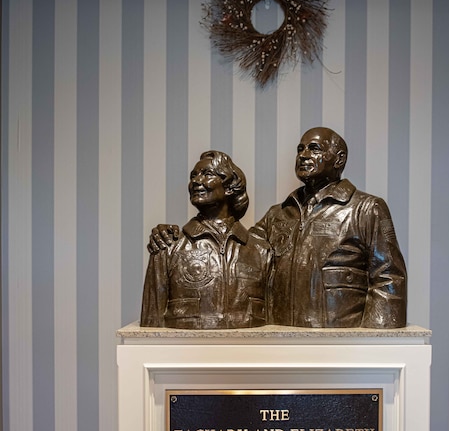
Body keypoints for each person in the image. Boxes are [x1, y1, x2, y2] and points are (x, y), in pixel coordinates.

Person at [149, 128, 407, 329]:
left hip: (342, 337)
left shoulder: (365, 208)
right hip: (281, 337)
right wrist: (170, 235)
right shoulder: (278, 215)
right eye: (300, 149)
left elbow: (389, 277)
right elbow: (238, 250)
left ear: (339, 159)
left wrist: (377, 342)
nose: (304, 155)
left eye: (314, 149)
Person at [140, 151, 271, 329]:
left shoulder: (260, 251)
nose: (195, 181)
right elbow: (151, 323)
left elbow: (272, 322)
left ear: (230, 186)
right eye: (193, 176)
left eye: (207, 174)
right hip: (185, 354)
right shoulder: (169, 246)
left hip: (246, 354)